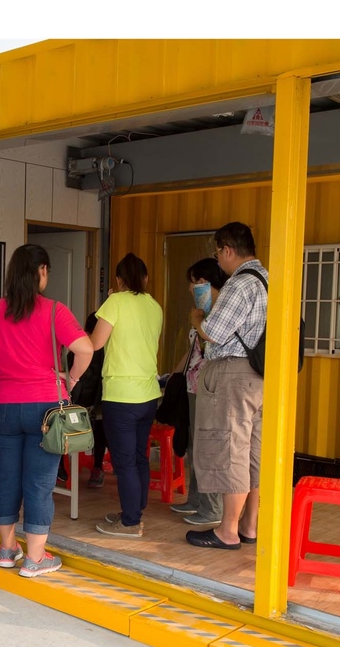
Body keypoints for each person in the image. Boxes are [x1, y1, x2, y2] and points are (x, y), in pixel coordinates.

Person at [0, 244, 92, 577]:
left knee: (6, 480)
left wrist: (7, 373)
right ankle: (36, 559)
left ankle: (8, 550)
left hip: (5, 407)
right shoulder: (55, 311)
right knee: (39, 483)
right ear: (41, 270)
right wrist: (71, 379)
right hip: (45, 408)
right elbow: (84, 348)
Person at [186, 222, 267, 550]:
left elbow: (214, 332)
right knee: (252, 451)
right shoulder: (266, 280)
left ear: (228, 249)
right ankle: (249, 525)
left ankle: (227, 530)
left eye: (219, 252)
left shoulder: (240, 284)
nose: (218, 260)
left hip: (233, 374)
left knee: (231, 447)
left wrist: (196, 317)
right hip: (259, 374)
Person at [91, 253, 163, 538]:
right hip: (148, 394)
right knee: (138, 456)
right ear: (145, 279)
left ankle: (131, 522)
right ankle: (134, 511)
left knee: (125, 462)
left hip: (121, 394)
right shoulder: (154, 305)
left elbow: (96, 343)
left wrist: (110, 301)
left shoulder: (115, 302)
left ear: (119, 280)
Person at [172, 257, 229, 527]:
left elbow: (211, 350)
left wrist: (198, 323)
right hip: (194, 386)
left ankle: (212, 508)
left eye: (198, 282)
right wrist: (172, 375)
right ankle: (195, 499)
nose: (193, 288)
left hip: (213, 387)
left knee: (209, 448)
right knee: (195, 447)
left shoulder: (220, 314)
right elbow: (193, 351)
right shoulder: (201, 313)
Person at [58, 311, 107, 487]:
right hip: (97, 405)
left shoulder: (81, 347)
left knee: (58, 421)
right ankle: (97, 467)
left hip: (78, 403)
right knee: (101, 426)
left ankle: (60, 464)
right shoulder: (104, 349)